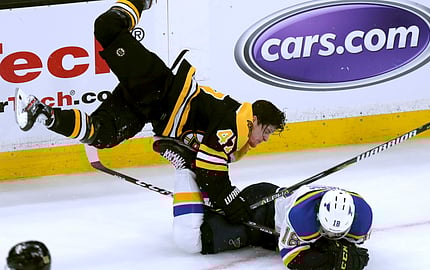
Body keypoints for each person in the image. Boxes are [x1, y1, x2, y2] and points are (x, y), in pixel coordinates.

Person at [14, 0, 286, 254]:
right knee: (107, 28)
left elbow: (208, 166)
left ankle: (41, 112)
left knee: (101, 134)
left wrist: (219, 197)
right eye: (268, 131)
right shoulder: (237, 122)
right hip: (159, 87)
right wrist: (228, 201)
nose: (265, 139)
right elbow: (210, 169)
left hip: (151, 108)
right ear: (257, 120)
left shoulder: (232, 134)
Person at [200, 182, 372, 270]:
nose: (331, 237)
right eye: (327, 231)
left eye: (338, 234)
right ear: (319, 215)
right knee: (206, 238)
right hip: (262, 211)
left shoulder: (363, 218)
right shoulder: (300, 216)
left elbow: (345, 245)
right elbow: (292, 259)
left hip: (278, 214)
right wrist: (332, 261)